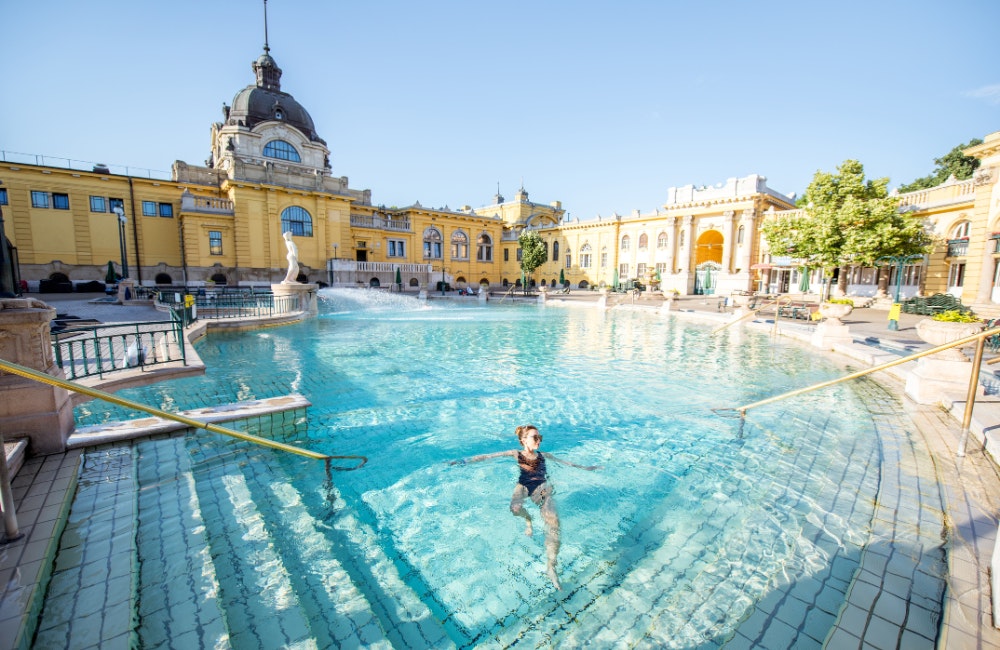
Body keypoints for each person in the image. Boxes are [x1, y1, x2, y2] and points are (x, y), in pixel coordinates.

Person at [450, 424, 599, 590]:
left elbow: (566, 463)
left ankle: (551, 566)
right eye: (535, 437)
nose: (539, 441)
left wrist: (587, 468)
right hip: (524, 485)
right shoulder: (516, 453)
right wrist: (464, 461)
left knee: (553, 520)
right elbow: (488, 456)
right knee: (514, 509)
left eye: (540, 437)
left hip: (541, 487)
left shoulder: (544, 455)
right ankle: (528, 520)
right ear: (523, 440)